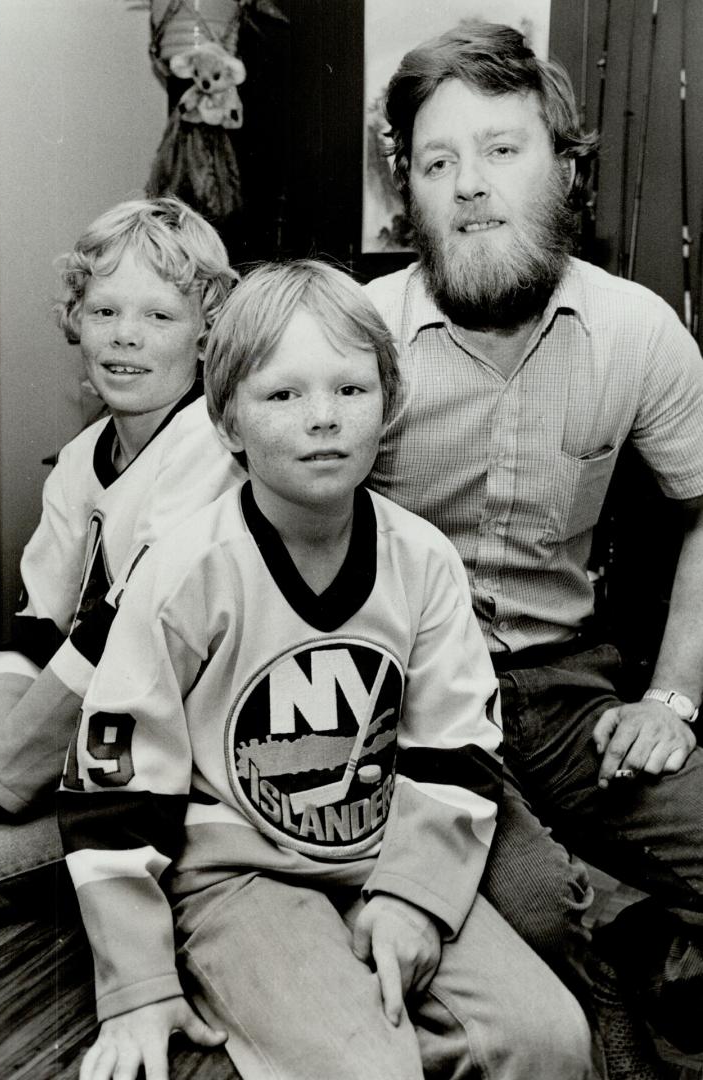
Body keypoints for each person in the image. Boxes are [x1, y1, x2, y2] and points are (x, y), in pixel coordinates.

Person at [57, 260, 592, 1080]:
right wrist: (136, 985)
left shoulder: (423, 561)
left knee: (548, 1039)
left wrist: (414, 897)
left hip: (386, 853)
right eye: (283, 396)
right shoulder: (183, 572)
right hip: (236, 873)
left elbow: (452, 751)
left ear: (389, 406)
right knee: (366, 1068)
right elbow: (115, 794)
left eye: (350, 391)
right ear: (228, 421)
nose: (323, 420)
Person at [364, 19, 703, 1076]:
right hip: (403, 701)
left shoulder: (638, 332)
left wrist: (672, 697)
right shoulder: (352, 339)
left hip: (566, 690)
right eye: (437, 161)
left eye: (501, 150)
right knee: (530, 904)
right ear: (405, 192)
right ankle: (603, 954)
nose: (468, 184)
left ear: (565, 167)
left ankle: (631, 936)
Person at [0, 195, 244, 911]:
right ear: (76, 319)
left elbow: (119, 634)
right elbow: (40, 628)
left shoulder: (212, 448)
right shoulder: (77, 461)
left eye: (159, 316)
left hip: (188, 776)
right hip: (92, 751)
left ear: (205, 332)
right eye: (104, 312)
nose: (126, 337)